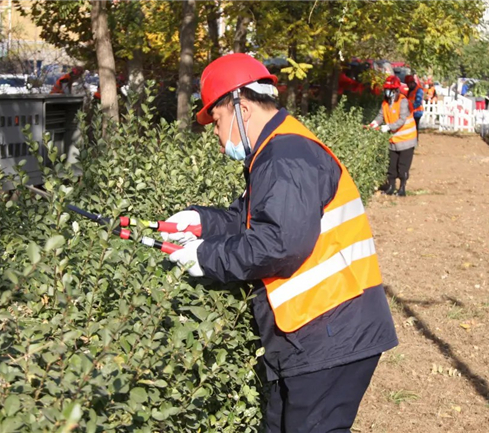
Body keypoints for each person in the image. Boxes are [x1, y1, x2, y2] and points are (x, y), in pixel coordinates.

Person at [164, 53, 398, 433]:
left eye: (218, 122)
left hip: (329, 335)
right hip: (316, 335)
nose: (217, 137)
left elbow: (279, 244)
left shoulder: (285, 154)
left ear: (240, 107)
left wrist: (205, 257)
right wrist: (200, 223)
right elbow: (250, 221)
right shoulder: (276, 150)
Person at [367, 75, 418, 197]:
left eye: (389, 90)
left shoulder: (403, 101)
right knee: (392, 165)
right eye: (386, 89)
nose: (387, 92)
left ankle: (402, 188)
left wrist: (388, 127)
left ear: (395, 90)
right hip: (393, 140)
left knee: (403, 166)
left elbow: (401, 120)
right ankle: (391, 186)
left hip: (406, 140)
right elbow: (380, 116)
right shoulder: (385, 103)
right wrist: (375, 123)